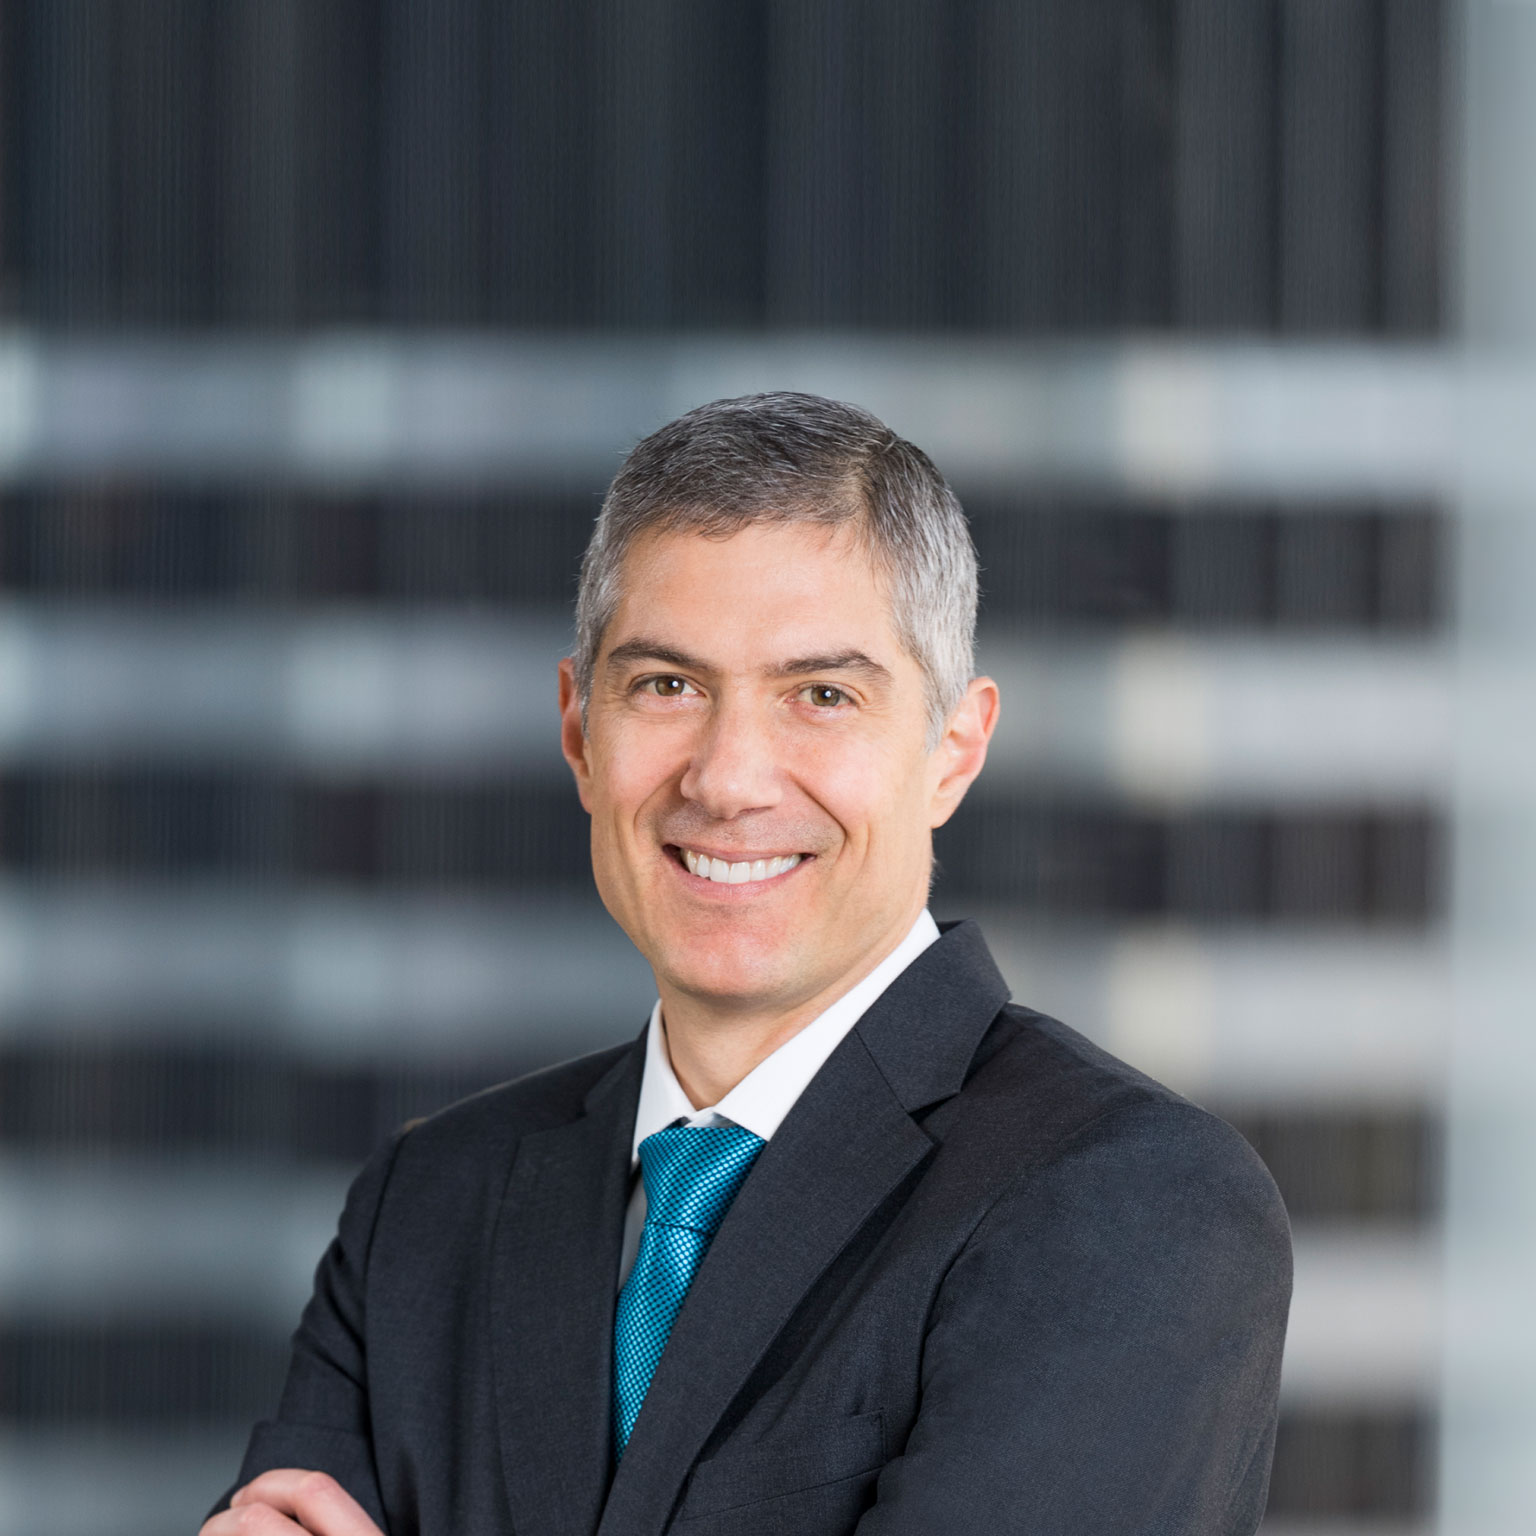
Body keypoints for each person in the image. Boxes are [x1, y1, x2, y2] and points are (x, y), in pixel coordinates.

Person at [202, 393, 1290, 1536]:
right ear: (579, 731)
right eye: (666, 686)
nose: (727, 780)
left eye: (821, 695)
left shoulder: (1130, 1203)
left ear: (953, 750)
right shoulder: (427, 1207)